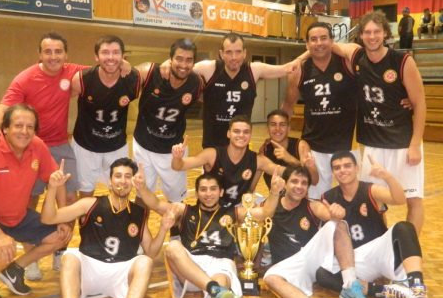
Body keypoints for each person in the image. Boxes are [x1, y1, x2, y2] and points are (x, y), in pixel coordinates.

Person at [133, 168, 284, 298]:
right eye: (203, 189)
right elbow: (156, 204)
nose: (208, 193)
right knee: (172, 247)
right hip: (190, 267)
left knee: (221, 281)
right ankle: (215, 290)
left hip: (219, 262)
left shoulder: (233, 213)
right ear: (197, 193)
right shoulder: (184, 210)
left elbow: (265, 213)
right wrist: (142, 188)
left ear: (221, 192)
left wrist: (274, 192)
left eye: (213, 189)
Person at [0, 32, 86, 277]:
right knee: (29, 201)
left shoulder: (73, 71)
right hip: (29, 146)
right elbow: (3, 108)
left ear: (66, 55)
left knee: (69, 199)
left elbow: (106, 67)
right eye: (47, 52)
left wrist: (126, 65)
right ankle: (32, 258)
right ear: (39, 54)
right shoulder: (25, 79)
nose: (53, 57)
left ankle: (61, 250)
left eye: (58, 52)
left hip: (60, 145)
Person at [42, 158, 174, 298]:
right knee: (69, 256)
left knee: (145, 261)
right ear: (110, 181)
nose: (123, 181)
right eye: (118, 176)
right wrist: (53, 188)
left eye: (127, 176)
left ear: (133, 182)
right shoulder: (89, 204)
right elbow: (49, 218)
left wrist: (163, 229)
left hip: (121, 273)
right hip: (90, 268)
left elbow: (151, 252)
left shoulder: (139, 212)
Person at [0, 104, 70, 298]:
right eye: (18, 125)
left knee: (60, 236)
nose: (24, 131)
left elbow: (57, 180)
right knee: (3, 252)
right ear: (5, 128)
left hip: (16, 216)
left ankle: (14, 270)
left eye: (30, 127)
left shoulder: (37, 146)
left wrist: (62, 218)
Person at [332, 11, 427, 234]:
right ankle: (379, 244)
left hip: (402, 143)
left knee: (413, 198)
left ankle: (409, 247)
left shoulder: (402, 61)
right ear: (361, 35)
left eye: (377, 31)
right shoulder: (357, 56)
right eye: (367, 32)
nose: (372, 36)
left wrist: (415, 144)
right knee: (373, 200)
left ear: (385, 33)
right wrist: (298, 60)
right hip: (373, 145)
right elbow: (329, 45)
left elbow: (420, 104)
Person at [317, 151, 437, 298]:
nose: (342, 170)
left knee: (404, 228)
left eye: (347, 166)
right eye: (337, 168)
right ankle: (385, 291)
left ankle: (418, 292)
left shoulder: (370, 190)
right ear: (333, 173)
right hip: (354, 259)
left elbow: (399, 199)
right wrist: (332, 217)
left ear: (357, 168)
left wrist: (387, 176)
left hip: (379, 250)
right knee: (322, 274)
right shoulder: (328, 198)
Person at [262, 165, 369, 298]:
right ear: (285, 184)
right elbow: (261, 218)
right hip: (289, 266)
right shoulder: (271, 206)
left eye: (304, 183)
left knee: (338, 224)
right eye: (294, 181)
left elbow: (330, 215)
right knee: (270, 278)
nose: (299, 186)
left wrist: (336, 213)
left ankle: (350, 283)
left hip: (311, 255)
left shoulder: (312, 206)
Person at [163, 32, 297, 149]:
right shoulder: (209, 68)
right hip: (212, 145)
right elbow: (183, 68)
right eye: (229, 52)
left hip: (240, 143)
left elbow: (288, 68)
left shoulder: (254, 70)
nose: (234, 57)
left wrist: (307, 52)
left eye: (238, 52)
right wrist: (167, 63)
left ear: (245, 53)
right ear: (221, 54)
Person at [282, 22, 358, 198]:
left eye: (324, 38)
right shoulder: (299, 71)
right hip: (314, 146)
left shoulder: (346, 62)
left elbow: (355, 49)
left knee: (353, 197)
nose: (319, 43)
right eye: (313, 40)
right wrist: (280, 136)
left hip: (346, 144)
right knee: (315, 199)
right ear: (307, 44)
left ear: (332, 40)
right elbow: (288, 106)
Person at [132, 38, 203, 203]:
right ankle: (140, 222)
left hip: (173, 151)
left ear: (194, 63)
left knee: (176, 202)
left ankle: (176, 222)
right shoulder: (150, 72)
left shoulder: (196, 83)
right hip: (143, 146)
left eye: (189, 60)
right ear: (170, 59)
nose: (183, 65)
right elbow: (122, 76)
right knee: (142, 198)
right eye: (179, 59)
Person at [70, 35, 141, 197]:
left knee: (121, 191)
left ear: (123, 56)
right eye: (105, 52)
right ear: (96, 57)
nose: (110, 57)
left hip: (116, 146)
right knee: (85, 192)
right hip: (85, 146)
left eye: (116, 52)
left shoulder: (134, 80)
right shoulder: (82, 79)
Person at [171, 115, 282, 209]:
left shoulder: (258, 160)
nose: (241, 135)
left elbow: (285, 172)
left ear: (250, 135)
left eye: (246, 132)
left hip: (237, 211)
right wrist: (177, 157)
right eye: (236, 131)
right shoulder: (212, 154)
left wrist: (287, 158)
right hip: (211, 210)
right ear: (229, 133)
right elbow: (178, 166)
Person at [257, 109, 318, 190]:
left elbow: (314, 180)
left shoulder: (300, 145)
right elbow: (251, 185)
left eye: (282, 125)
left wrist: (291, 159)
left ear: (289, 128)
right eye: (273, 124)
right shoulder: (264, 149)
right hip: (274, 197)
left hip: (298, 197)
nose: (277, 128)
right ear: (267, 128)